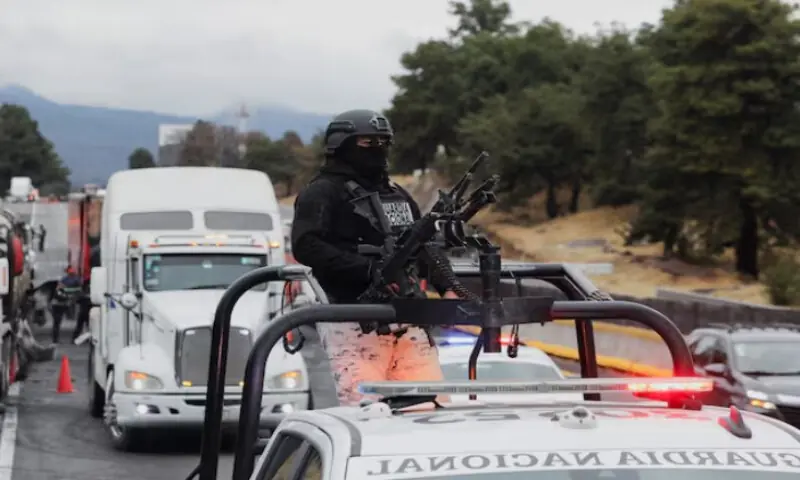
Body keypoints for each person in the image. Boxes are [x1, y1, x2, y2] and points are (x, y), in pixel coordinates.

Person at [291, 109, 468, 406]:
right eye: (366, 142)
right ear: (341, 144)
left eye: (383, 141)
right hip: (353, 322)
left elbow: (422, 243)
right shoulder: (322, 193)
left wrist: (446, 284)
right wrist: (369, 270)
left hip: (409, 320)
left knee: (430, 411)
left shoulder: (396, 193)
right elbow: (307, 245)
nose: (377, 149)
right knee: (367, 416)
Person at [51, 266, 82, 343]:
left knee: (57, 323)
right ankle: (55, 339)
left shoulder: (65, 280)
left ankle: (55, 339)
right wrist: (69, 297)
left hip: (59, 304)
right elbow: (62, 293)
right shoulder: (71, 280)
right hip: (59, 304)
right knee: (57, 322)